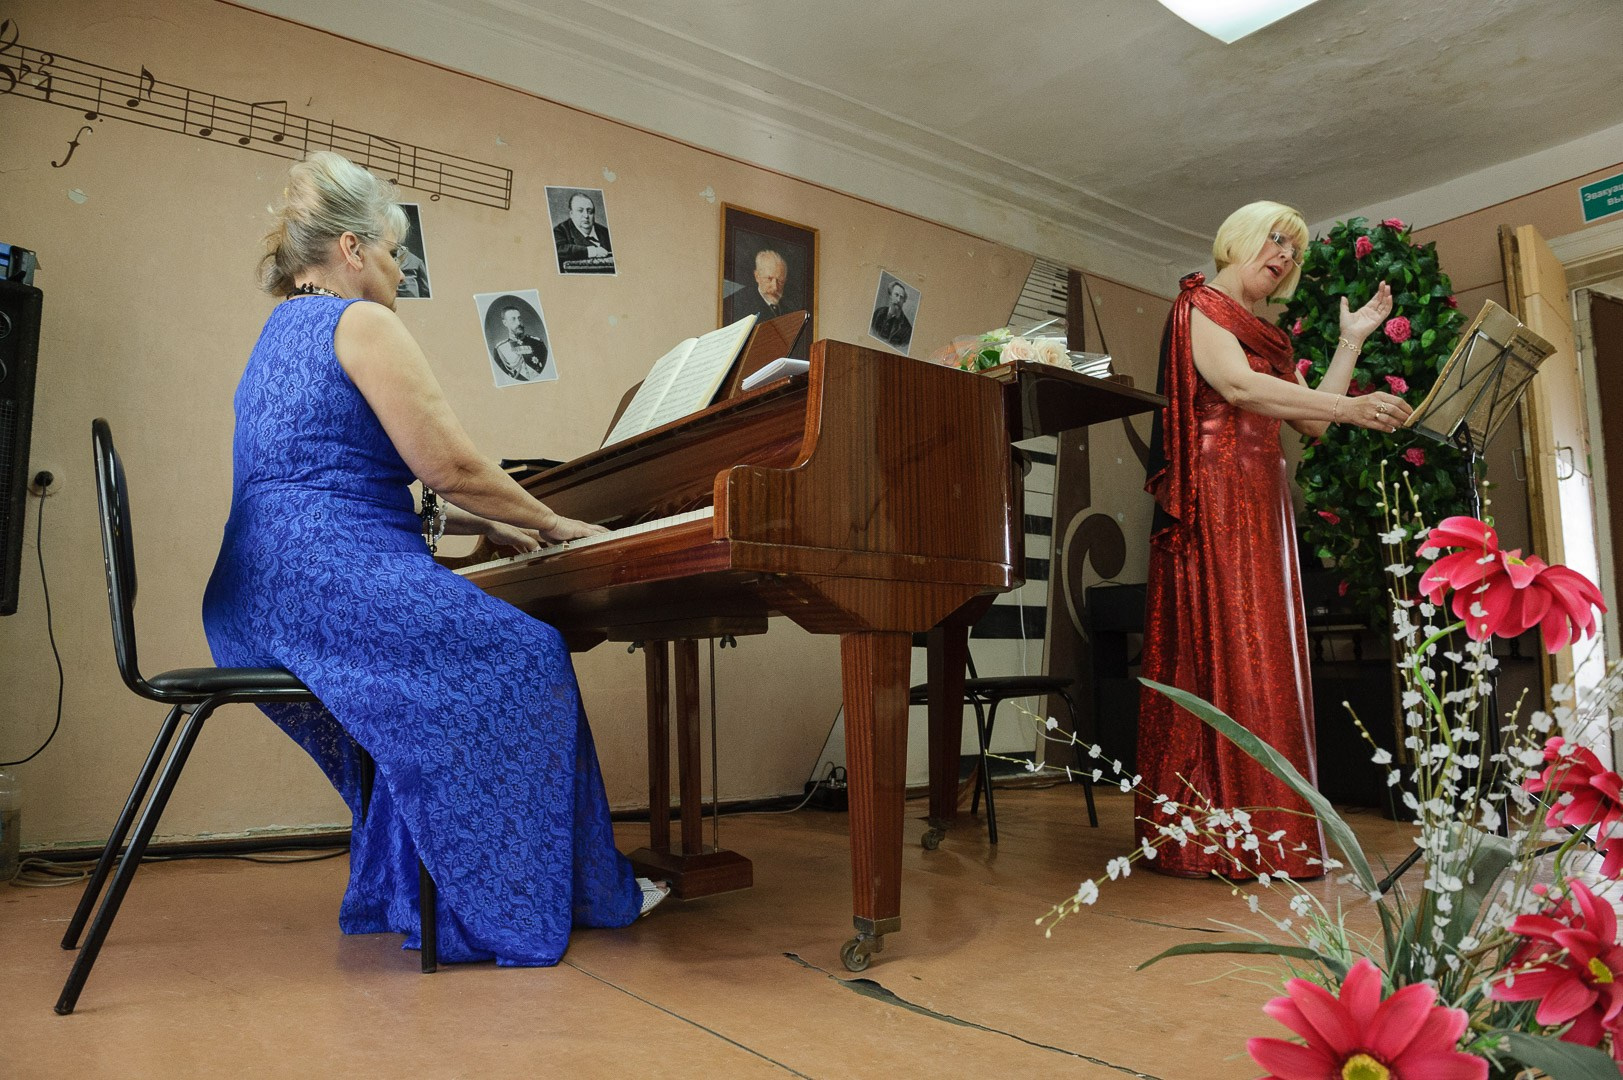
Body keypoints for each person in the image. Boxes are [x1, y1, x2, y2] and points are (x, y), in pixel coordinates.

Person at [202, 152, 667, 966]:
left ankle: (412, 892)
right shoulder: (361, 322)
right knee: (528, 656)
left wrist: (485, 522)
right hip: (324, 581)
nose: (400, 272)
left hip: (251, 603)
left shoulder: (273, 339)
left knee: (413, 703)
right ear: (351, 249)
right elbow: (447, 464)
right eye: (392, 252)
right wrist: (553, 522)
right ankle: (548, 898)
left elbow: (338, 480)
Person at [1137, 199, 1410, 879]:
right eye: (1276, 240)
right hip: (1216, 495)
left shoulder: (1269, 335)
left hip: (1261, 497)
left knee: (1265, 650)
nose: (1285, 256)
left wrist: (1350, 341)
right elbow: (1237, 387)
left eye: (1294, 250)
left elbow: (1310, 423)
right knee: (1228, 644)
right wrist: (1348, 405)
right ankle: (1220, 834)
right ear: (1238, 239)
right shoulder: (1198, 304)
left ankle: (1273, 830)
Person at [552, 192, 613, 273]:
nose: (586, 215)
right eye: (580, 211)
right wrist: (592, 251)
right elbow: (557, 250)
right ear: (571, 214)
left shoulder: (606, 232)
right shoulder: (560, 231)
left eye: (589, 211)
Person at [725, 248, 790, 323]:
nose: (775, 287)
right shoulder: (742, 305)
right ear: (757, 276)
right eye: (769, 279)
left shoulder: (788, 308)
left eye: (780, 281)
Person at [491, 304, 548, 381]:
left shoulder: (537, 343)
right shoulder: (500, 349)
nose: (518, 323)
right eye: (513, 319)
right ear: (505, 323)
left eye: (519, 318)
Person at [870, 281, 913, 349]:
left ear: (903, 301)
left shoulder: (907, 329)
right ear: (890, 296)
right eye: (896, 295)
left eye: (901, 297)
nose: (898, 300)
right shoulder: (878, 313)